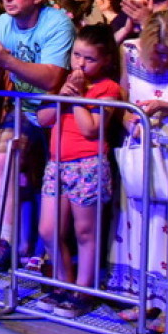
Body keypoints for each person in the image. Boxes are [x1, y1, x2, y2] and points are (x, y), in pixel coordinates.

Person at [0, 0, 74, 272]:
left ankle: (50, 254)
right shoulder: (1, 23)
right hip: (23, 109)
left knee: (50, 180)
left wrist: (7, 60)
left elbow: (51, 78)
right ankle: (5, 241)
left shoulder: (56, 22)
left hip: (59, 111)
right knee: (3, 159)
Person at [108, 11, 168, 331]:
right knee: (136, 224)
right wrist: (126, 118)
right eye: (157, 52)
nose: (161, 60)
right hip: (138, 151)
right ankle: (141, 298)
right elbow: (121, 97)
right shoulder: (129, 52)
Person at [35, 24, 121, 318]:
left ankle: (83, 290)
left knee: (85, 231)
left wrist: (78, 96)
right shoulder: (65, 83)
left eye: (89, 59)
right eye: (76, 56)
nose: (80, 64)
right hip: (56, 164)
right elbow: (44, 117)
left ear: (106, 60)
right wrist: (64, 93)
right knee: (48, 229)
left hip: (88, 164)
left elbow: (91, 129)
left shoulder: (108, 88)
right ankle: (62, 280)